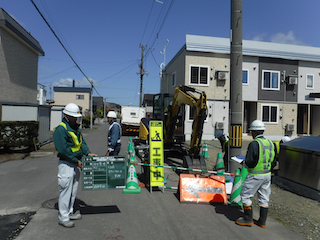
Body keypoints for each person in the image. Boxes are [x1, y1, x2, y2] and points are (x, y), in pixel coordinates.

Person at [53, 103, 97, 228]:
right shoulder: (60, 130)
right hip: (67, 164)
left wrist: (87, 153)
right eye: (73, 116)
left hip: (75, 163)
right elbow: (64, 150)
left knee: (73, 190)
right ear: (66, 116)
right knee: (65, 191)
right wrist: (76, 161)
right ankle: (63, 217)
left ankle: (70, 211)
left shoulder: (75, 128)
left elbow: (82, 143)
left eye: (76, 116)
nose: (75, 118)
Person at [236, 119, 275, 228]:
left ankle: (248, 219)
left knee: (245, 196)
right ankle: (262, 221)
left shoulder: (254, 143)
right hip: (267, 175)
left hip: (255, 175)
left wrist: (243, 163)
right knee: (264, 197)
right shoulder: (270, 143)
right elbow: (274, 160)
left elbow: (249, 161)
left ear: (254, 132)